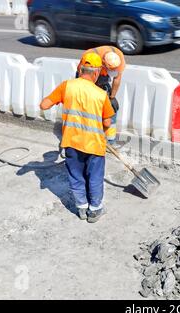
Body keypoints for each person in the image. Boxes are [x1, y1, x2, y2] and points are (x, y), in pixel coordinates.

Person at [40, 52, 115, 223]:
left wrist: (59, 101)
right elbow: (108, 122)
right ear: (96, 73)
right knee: (95, 177)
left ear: (80, 69)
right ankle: (95, 210)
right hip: (95, 145)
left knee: (76, 176)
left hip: (72, 143)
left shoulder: (67, 86)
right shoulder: (101, 94)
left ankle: (81, 208)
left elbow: (44, 104)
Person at [77, 46, 126, 145]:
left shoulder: (119, 57)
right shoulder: (90, 56)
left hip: (101, 76)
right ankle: (85, 135)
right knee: (87, 106)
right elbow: (81, 76)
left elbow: (116, 79)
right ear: (103, 63)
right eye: (109, 70)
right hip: (87, 76)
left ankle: (110, 140)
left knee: (111, 108)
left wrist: (112, 97)